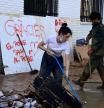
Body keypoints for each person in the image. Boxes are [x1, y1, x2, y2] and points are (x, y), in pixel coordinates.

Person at [73, 12, 104, 89]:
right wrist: (87, 39)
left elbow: (99, 41)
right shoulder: (95, 27)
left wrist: (92, 50)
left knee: (88, 67)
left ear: (97, 19)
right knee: (101, 68)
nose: (92, 21)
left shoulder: (100, 28)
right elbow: (91, 33)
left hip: (97, 52)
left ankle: (81, 82)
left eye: (92, 20)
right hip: (99, 52)